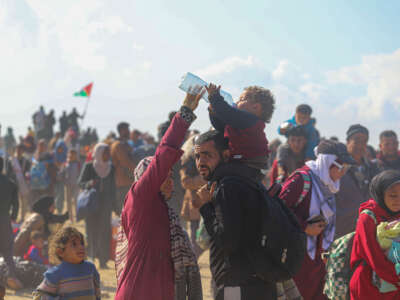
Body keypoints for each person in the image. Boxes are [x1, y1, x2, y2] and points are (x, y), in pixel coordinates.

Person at [115, 88, 202, 300]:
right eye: (166, 176)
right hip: (139, 290)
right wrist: (184, 114)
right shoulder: (140, 197)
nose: (171, 181)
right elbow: (163, 154)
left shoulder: (161, 206)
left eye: (172, 177)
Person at [194, 130, 277, 299]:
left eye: (207, 155)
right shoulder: (244, 179)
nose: (201, 162)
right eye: (197, 156)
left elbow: (227, 241)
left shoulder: (227, 187)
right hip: (255, 281)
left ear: (225, 155)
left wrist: (205, 207)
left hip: (237, 285)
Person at [279, 140, 355, 300]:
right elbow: (278, 211)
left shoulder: (327, 185)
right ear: (327, 162)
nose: (343, 172)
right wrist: (304, 227)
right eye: (342, 166)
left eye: (347, 168)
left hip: (318, 261)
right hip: (297, 258)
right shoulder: (302, 180)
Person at [350, 170, 400, 300]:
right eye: (393, 195)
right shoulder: (368, 218)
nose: (398, 200)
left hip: (395, 287)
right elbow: (374, 257)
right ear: (380, 194)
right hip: (369, 286)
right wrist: (397, 276)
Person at [207, 84, 275, 174]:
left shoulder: (251, 120)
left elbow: (227, 113)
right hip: (241, 160)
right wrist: (213, 113)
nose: (237, 102)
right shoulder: (238, 122)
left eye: (242, 99)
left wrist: (215, 97)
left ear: (255, 107)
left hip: (252, 162)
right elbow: (221, 127)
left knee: (221, 172)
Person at [334, 124, 379, 239]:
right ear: (348, 141)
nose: (360, 145)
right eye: (357, 140)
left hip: (367, 231)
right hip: (341, 232)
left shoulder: (373, 168)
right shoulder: (336, 168)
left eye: (364, 141)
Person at [33, 227, 101, 300]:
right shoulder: (55, 273)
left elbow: (97, 292)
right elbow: (38, 295)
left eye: (82, 243)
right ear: (60, 252)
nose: (81, 247)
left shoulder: (90, 268)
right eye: (74, 244)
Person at [78, 143, 116, 268]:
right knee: (92, 231)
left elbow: (114, 188)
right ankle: (91, 257)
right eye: (105, 153)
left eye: (108, 153)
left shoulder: (111, 168)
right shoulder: (89, 166)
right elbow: (81, 183)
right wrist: (90, 183)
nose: (107, 155)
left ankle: (103, 260)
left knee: (105, 232)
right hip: (92, 204)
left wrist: (116, 207)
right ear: (99, 153)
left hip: (106, 205)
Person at [180, 134, 206, 258]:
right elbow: (186, 182)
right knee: (196, 242)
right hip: (195, 205)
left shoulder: (208, 158)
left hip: (207, 205)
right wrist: (206, 180)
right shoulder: (188, 161)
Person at [0, 157, 23, 290]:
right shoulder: (11, 183)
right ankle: (11, 276)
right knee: (8, 251)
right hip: (4, 219)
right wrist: (13, 217)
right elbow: (16, 204)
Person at [111, 122, 138, 215]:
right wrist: (140, 171)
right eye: (127, 130)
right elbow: (126, 162)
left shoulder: (126, 145)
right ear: (121, 131)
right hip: (122, 184)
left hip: (129, 182)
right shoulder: (118, 145)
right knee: (124, 214)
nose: (129, 132)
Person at [6, 144, 31, 221]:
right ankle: (13, 218)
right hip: (13, 184)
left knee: (24, 202)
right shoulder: (11, 160)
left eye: (20, 149)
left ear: (23, 151)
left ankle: (22, 218)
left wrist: (27, 175)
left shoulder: (26, 161)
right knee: (14, 202)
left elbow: (28, 171)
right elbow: (8, 172)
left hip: (23, 183)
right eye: (18, 149)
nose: (19, 151)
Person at [60, 149, 81, 223]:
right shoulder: (66, 163)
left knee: (76, 201)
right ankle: (70, 218)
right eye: (70, 154)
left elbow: (81, 174)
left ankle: (77, 217)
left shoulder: (78, 164)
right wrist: (64, 181)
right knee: (68, 202)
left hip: (76, 185)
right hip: (68, 185)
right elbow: (62, 174)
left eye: (73, 154)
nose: (72, 156)